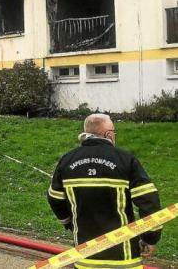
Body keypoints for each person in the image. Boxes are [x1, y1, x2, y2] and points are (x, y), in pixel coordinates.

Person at [48, 114, 162, 269]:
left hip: (85, 258)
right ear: (108, 134)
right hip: (124, 258)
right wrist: (150, 238)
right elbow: (149, 201)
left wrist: (70, 224)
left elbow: (55, 198)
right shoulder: (125, 159)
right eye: (114, 132)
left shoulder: (67, 160)